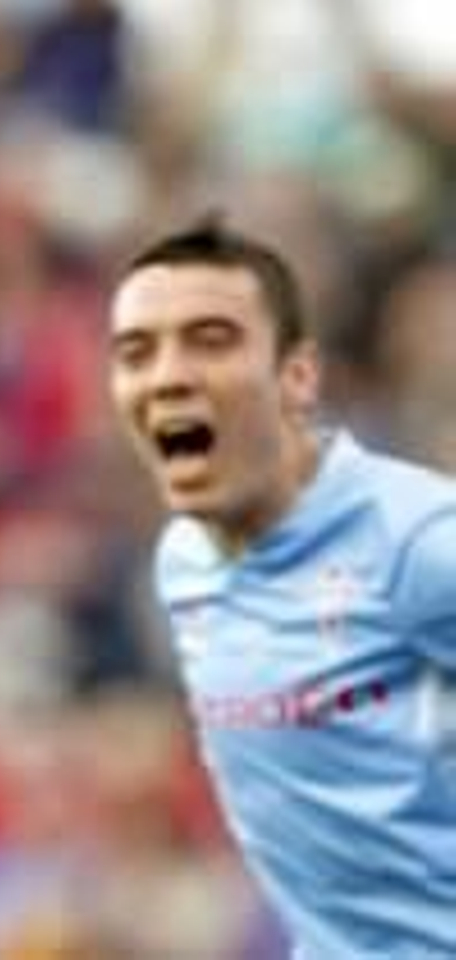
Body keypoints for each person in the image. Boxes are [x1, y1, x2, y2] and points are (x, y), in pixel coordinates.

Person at [108, 216, 456, 958]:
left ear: (297, 376)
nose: (168, 375)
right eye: (137, 352)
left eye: (211, 340)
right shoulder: (182, 563)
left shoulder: (418, 542)